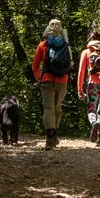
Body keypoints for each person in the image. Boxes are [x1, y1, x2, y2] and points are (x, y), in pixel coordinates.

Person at [31, 18, 72, 150]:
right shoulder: (66, 44)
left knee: (48, 108)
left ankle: (50, 138)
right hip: (63, 80)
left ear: (48, 28)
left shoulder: (43, 45)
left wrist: (39, 78)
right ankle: (55, 135)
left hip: (47, 80)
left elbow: (35, 66)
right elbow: (70, 63)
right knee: (57, 108)